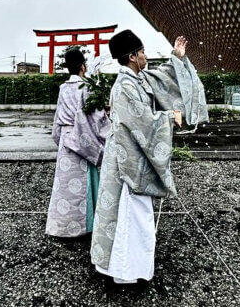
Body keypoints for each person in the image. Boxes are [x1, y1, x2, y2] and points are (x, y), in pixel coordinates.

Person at [91, 30, 208, 283]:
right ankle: (124, 272)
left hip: (132, 156)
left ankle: (132, 269)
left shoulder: (137, 79)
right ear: (132, 56)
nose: (145, 56)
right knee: (128, 215)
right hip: (126, 163)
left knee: (136, 216)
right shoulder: (125, 85)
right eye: (142, 52)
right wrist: (169, 118)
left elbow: (164, 78)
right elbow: (141, 122)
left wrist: (176, 57)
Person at [46, 47, 111, 238]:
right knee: (85, 184)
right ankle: (86, 226)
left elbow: (58, 119)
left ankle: (61, 226)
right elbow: (96, 118)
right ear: (83, 67)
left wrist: (59, 140)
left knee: (64, 187)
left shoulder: (63, 88)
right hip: (83, 140)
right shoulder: (87, 87)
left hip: (66, 140)